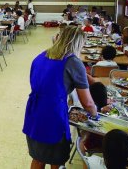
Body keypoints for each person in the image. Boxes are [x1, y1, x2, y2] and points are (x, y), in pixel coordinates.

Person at [23, 26, 97, 169]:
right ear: (78, 43)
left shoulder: (42, 55)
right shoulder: (73, 62)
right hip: (53, 115)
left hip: (34, 111)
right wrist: (96, 116)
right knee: (56, 160)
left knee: (38, 157)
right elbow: (87, 102)